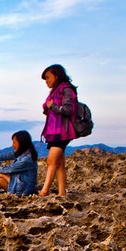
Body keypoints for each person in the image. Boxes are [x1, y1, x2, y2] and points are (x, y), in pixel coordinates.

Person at [39, 64, 77, 197]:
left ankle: (45, 191)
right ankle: (62, 193)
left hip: (63, 132)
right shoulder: (54, 92)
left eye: (48, 78)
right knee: (60, 164)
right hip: (55, 132)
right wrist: (48, 107)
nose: (47, 81)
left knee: (51, 161)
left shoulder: (66, 89)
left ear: (57, 75)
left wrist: (52, 106)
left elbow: (69, 109)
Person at [0, 130, 38, 196]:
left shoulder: (26, 159)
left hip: (23, 190)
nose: (12, 145)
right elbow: (7, 156)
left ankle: (13, 193)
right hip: (21, 182)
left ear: (21, 143)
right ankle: (11, 190)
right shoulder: (25, 153)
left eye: (14, 142)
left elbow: (9, 169)